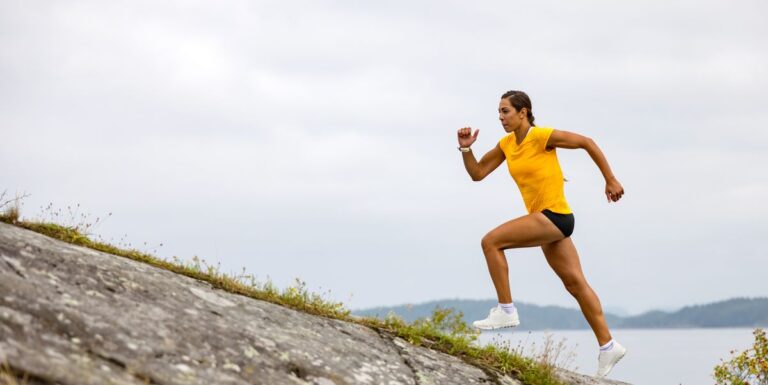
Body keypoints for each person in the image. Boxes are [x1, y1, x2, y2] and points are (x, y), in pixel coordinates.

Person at [456, 90, 626, 378]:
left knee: (491, 242)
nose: (501, 117)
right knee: (575, 283)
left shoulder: (542, 136)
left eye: (506, 111)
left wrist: (610, 178)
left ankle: (506, 309)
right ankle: (608, 345)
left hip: (554, 216)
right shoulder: (507, 144)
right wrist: (465, 149)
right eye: (498, 112)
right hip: (549, 223)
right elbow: (478, 173)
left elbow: (587, 142)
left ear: (523, 112)